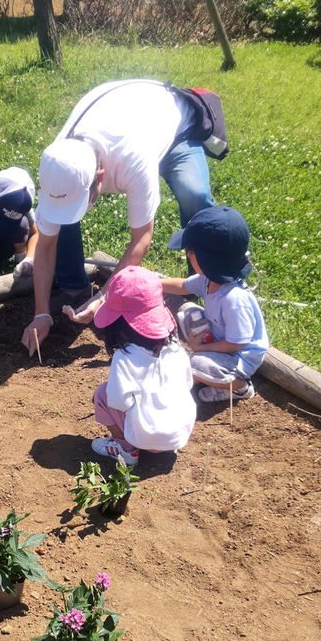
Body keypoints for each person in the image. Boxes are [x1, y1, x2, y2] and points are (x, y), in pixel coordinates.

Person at [21, 77, 218, 356]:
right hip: (120, 110)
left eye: (80, 201)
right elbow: (46, 243)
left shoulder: (134, 160)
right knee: (60, 222)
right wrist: (41, 313)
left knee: (194, 196)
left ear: (100, 178)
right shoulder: (60, 164)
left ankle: (206, 289)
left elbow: (142, 237)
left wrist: (105, 295)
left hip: (172, 126)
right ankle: (74, 286)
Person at [81, 265, 196, 466]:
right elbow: (187, 385)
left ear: (117, 324)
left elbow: (118, 401)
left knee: (102, 395)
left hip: (145, 437)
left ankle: (126, 449)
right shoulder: (177, 350)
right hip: (178, 435)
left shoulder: (125, 358)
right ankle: (163, 443)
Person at [161, 205, 268, 403]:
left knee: (194, 365)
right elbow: (183, 286)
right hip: (222, 339)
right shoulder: (208, 279)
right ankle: (211, 372)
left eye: (190, 252)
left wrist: (199, 349)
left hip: (238, 356)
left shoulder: (234, 299)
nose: (187, 255)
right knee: (187, 312)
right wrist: (151, 283)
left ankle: (239, 388)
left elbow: (237, 343)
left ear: (207, 259)